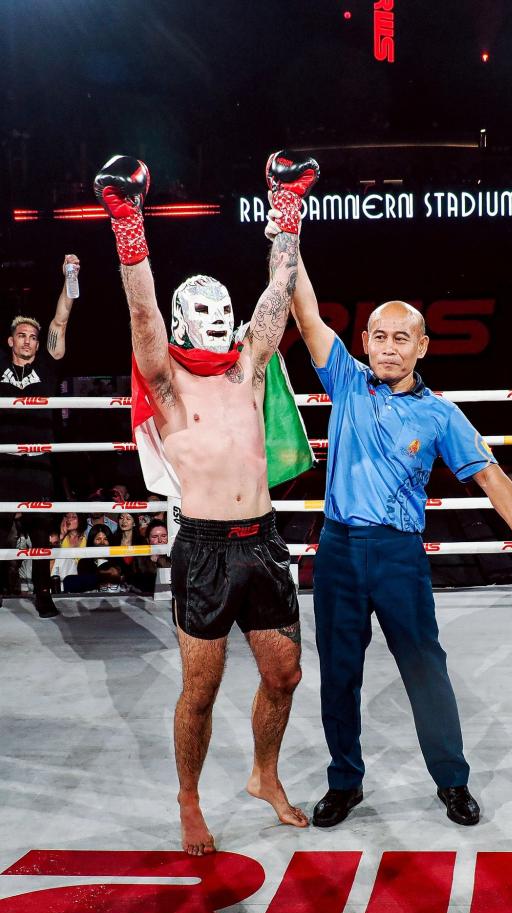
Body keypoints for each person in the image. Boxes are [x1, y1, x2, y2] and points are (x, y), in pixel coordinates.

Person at [94, 151, 318, 854]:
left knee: (284, 673)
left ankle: (263, 775)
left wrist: (287, 210)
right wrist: (127, 223)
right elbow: (140, 310)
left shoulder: (249, 367)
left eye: (226, 314)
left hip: (264, 540)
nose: (221, 324)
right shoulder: (166, 382)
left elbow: (278, 291)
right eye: (207, 316)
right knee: (201, 688)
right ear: (185, 322)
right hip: (206, 548)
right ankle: (189, 799)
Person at [287, 246, 512, 829]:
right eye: (379, 337)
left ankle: (452, 780)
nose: (388, 347)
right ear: (365, 342)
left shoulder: (440, 414)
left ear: (422, 347)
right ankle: (344, 781)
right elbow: (307, 314)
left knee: (425, 667)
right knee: (339, 673)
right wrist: (290, 241)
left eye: (401, 338)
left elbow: (491, 476)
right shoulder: (347, 381)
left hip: (399, 555)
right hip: (339, 550)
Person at [0, 255, 80, 617]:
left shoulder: (46, 365)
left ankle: (43, 594)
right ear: (11, 341)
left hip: (38, 464)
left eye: (33, 337)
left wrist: (69, 277)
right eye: (22, 335)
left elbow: (60, 320)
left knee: (41, 532)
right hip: (4, 462)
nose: (29, 341)